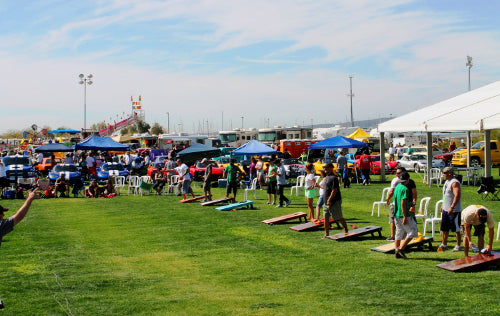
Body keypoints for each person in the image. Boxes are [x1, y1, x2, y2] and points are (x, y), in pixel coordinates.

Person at [393, 171, 419, 259]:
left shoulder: (397, 187)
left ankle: (396, 251)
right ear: (407, 179)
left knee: (399, 232)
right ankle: (401, 248)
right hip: (404, 214)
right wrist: (405, 216)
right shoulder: (405, 189)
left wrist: (410, 204)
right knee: (413, 232)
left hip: (396, 213)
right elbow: (403, 202)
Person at [438, 166, 462, 252]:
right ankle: (444, 244)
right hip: (445, 208)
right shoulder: (447, 182)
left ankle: (458, 245)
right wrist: (443, 205)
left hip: (454, 210)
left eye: (444, 173)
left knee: (456, 228)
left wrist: (452, 207)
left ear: (450, 173)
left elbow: (457, 196)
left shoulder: (455, 183)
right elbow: (444, 195)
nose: (443, 175)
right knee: (444, 227)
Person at [322, 163, 348, 238]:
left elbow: (334, 190)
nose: (325, 170)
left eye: (326, 169)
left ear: (331, 168)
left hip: (334, 201)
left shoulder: (334, 178)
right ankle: (326, 234)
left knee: (338, 217)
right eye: (325, 169)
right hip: (326, 201)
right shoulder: (326, 177)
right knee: (325, 218)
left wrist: (329, 200)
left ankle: (346, 229)